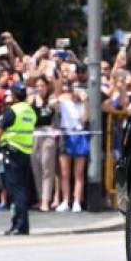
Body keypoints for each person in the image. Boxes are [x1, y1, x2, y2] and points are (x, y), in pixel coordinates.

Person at [0, 82, 35, 235]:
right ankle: (19, 224)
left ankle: (20, 225)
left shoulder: (12, 110)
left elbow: (1, 129)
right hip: (25, 152)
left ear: (13, 95)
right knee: (21, 189)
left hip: (12, 152)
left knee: (16, 190)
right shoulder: (30, 111)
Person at [56, 85, 89, 213]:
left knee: (79, 173)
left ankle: (76, 201)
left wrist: (85, 101)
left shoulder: (83, 105)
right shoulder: (65, 102)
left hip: (80, 136)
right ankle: (65, 200)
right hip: (66, 135)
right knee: (65, 173)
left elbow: (84, 119)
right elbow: (56, 97)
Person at [30, 76, 57, 212]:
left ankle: (46, 200)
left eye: (42, 85)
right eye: (38, 86)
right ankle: (40, 198)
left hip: (47, 133)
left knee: (47, 167)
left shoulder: (51, 100)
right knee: (36, 168)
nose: (40, 88)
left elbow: (55, 107)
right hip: (34, 134)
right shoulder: (32, 100)